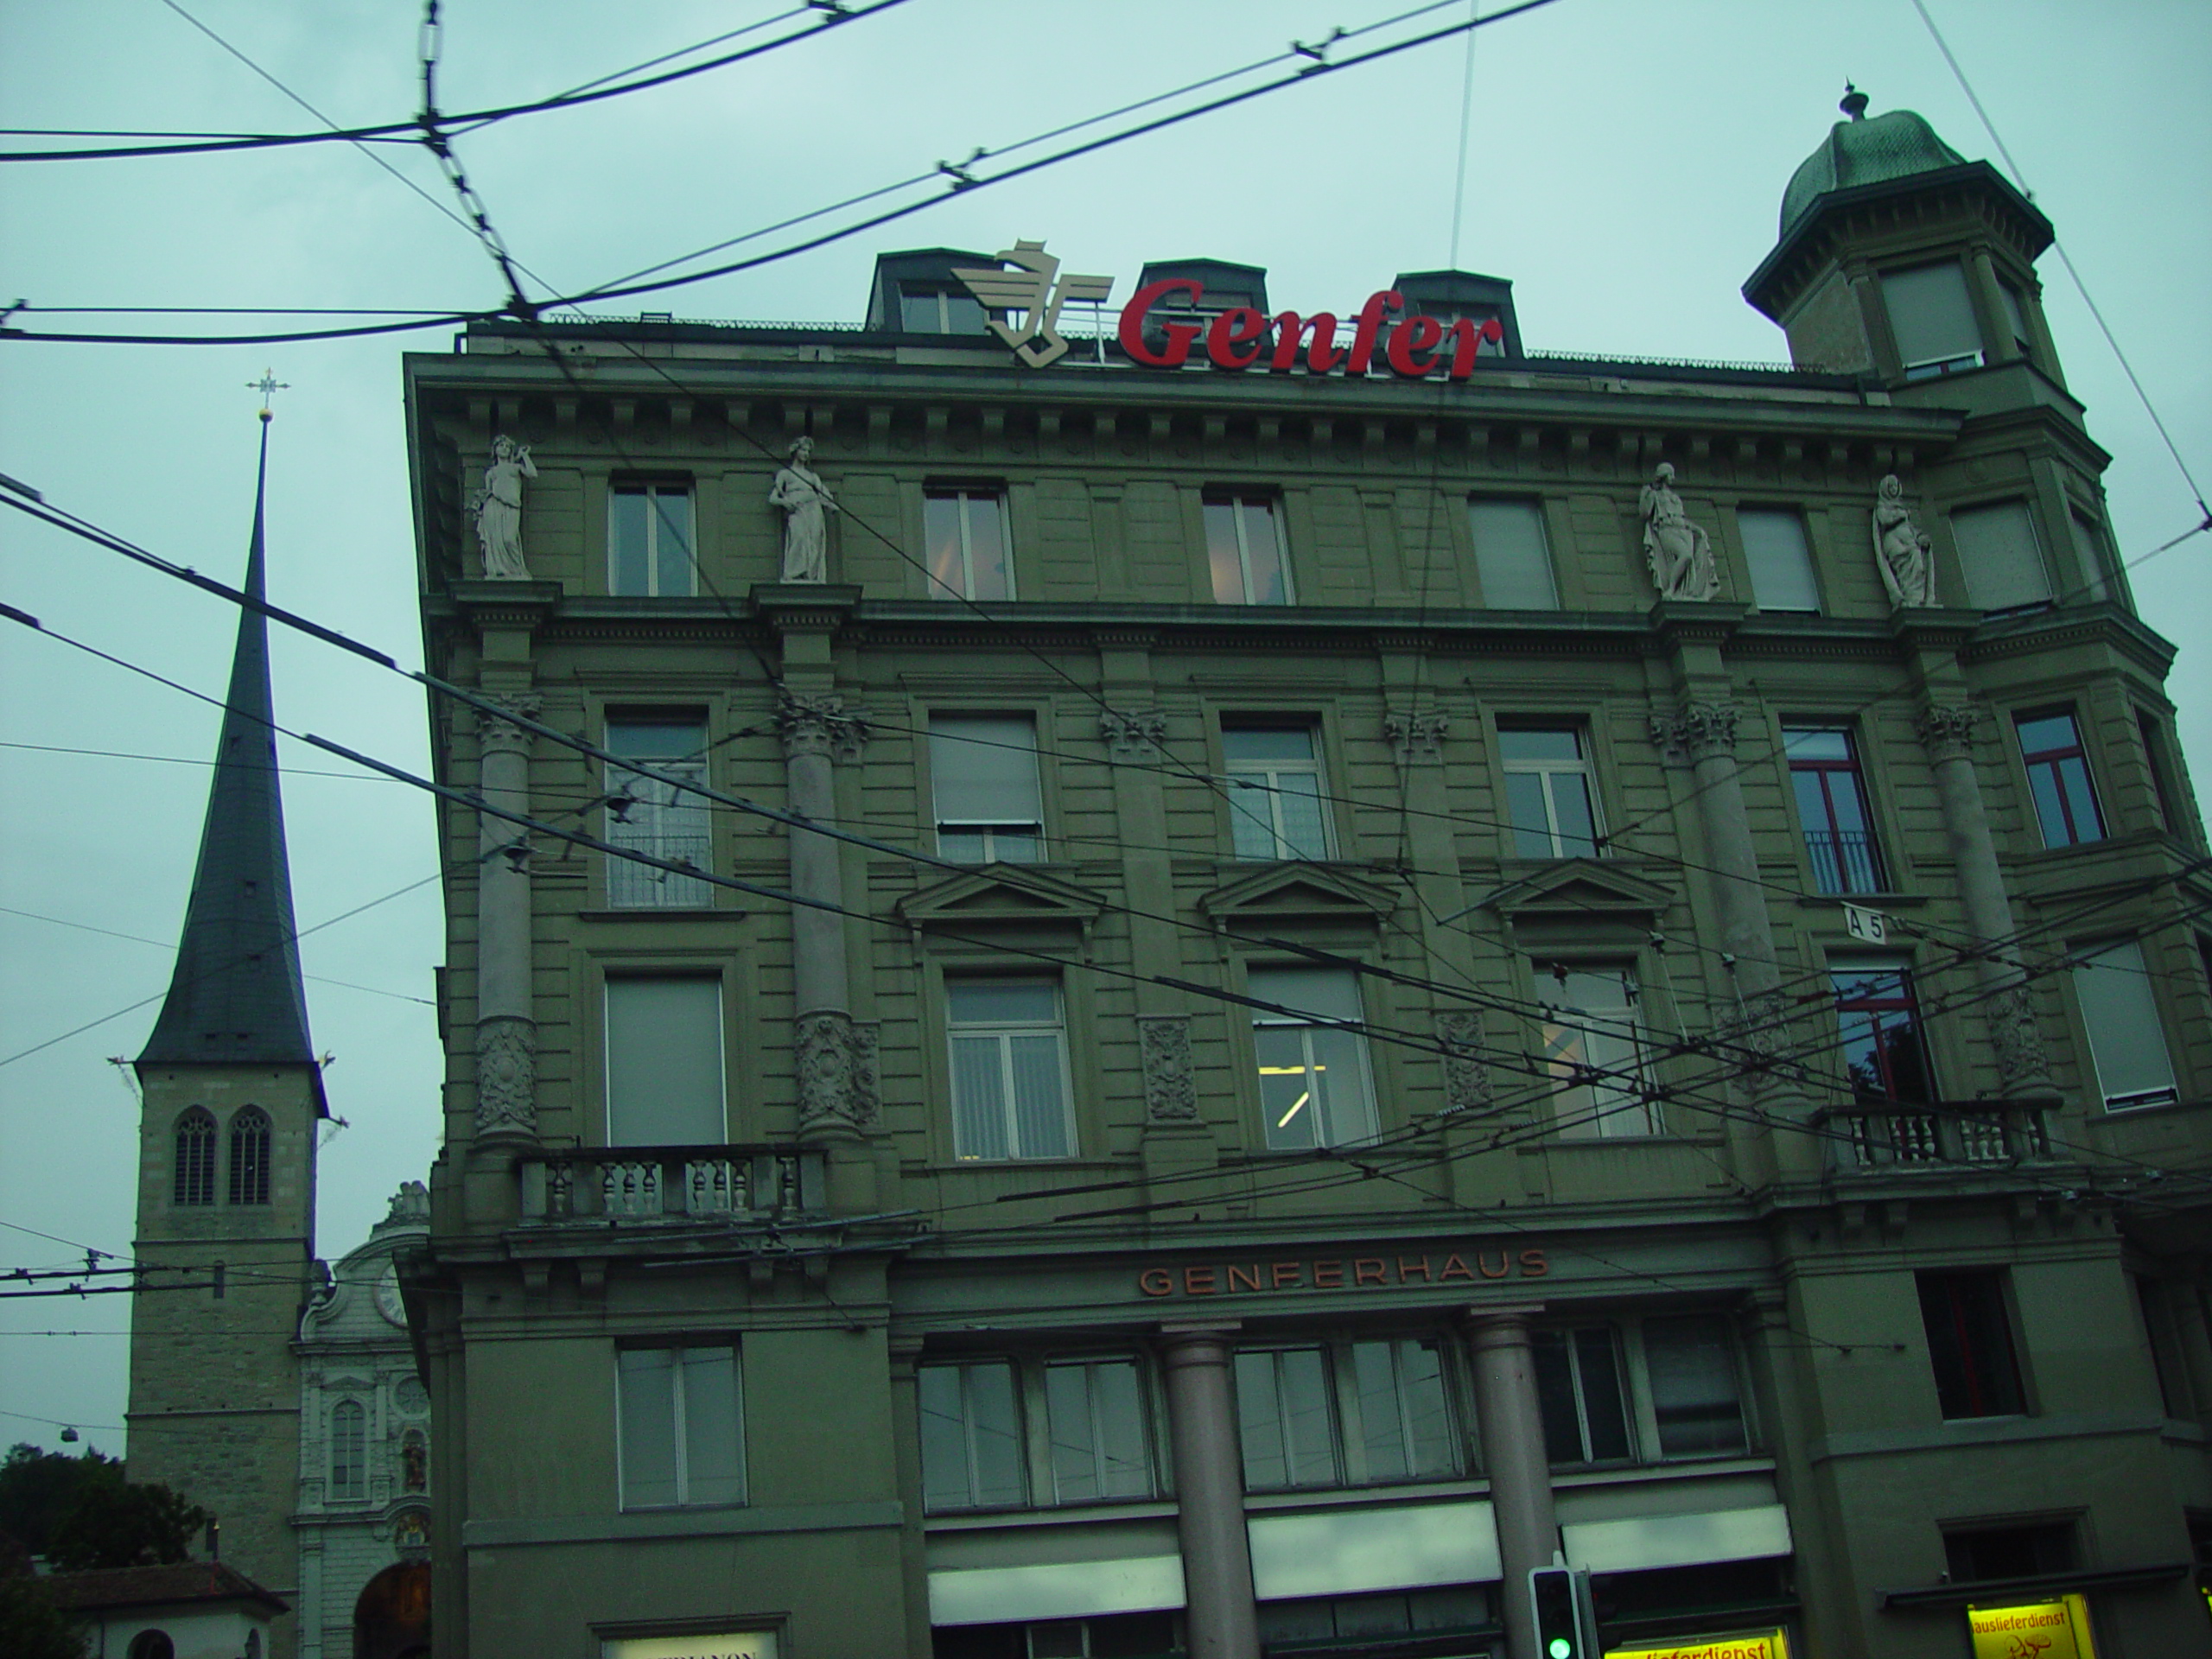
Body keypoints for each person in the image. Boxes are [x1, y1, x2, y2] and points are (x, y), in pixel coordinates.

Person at [1639, 461, 1718, 600]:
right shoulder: (1655, 495)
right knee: (1686, 556)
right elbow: (1645, 513)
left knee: (1690, 561)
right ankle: (1670, 589)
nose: (1673, 478)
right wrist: (1645, 495)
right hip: (1666, 529)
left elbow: (1681, 518)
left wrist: (1697, 529)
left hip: (1683, 530)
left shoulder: (1675, 497)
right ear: (1663, 475)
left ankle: (1683, 591)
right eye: (1670, 474)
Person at [769, 435, 837, 582]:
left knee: (814, 542)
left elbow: (823, 493)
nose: (806, 454)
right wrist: (785, 503)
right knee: (798, 537)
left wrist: (831, 504)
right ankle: (793, 573)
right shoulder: (785, 474)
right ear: (796, 451)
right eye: (803, 450)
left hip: (814, 509)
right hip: (798, 510)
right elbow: (773, 498)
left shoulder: (812, 476)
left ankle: (810, 576)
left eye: (808, 451)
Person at [470, 435, 536, 579]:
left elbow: (532, 473)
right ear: (495, 450)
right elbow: (487, 491)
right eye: (501, 446)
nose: (504, 449)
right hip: (494, 506)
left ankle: (518, 570)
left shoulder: (516, 467)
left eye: (507, 447)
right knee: (495, 540)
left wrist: (524, 456)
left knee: (509, 539)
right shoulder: (491, 472)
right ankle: (499, 571)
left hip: (512, 506)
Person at [1872, 473, 1936, 606]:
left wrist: (1920, 537)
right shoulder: (1882, 506)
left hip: (1908, 539)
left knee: (1918, 562)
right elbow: (1884, 520)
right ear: (1886, 489)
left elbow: (1911, 528)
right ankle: (1909, 596)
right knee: (1906, 564)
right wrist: (1899, 516)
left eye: (1896, 486)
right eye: (1891, 487)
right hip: (1894, 541)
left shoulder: (1901, 506)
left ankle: (1918, 598)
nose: (1894, 489)